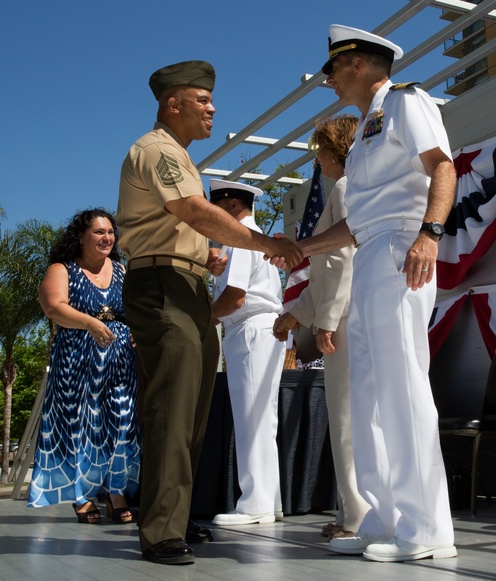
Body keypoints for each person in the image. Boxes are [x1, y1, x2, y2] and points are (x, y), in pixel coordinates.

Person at [116, 60, 302, 566]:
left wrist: (206, 254)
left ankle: (175, 516)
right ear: (172, 103)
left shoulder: (181, 157)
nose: (213, 109)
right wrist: (265, 242)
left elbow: (186, 225)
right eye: (202, 100)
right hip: (161, 285)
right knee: (171, 408)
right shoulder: (158, 149)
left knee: (193, 411)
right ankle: (159, 532)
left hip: (187, 283)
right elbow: (195, 212)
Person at [296, 25, 458, 562]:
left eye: (334, 69)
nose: (330, 80)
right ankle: (382, 518)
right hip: (370, 252)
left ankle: (425, 529)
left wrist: (429, 234)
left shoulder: (408, 102)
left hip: (401, 248)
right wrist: (303, 248)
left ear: (360, 64)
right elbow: (358, 221)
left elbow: (443, 167)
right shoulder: (365, 127)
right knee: (366, 395)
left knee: (402, 387)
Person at [272, 114, 369, 540]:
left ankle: (356, 518)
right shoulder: (348, 190)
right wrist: (297, 314)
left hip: (346, 322)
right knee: (351, 419)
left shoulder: (347, 189)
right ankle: (355, 511)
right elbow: (325, 272)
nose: (319, 160)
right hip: (345, 316)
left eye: (321, 151)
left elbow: (342, 259)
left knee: (348, 421)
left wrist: (325, 322)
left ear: (335, 151)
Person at [29, 208, 140, 525]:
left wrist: (136, 333)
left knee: (121, 424)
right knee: (81, 427)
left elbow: (136, 309)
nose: (107, 238)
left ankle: (115, 492)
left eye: (110, 232)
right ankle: (82, 495)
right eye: (98, 232)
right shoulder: (62, 269)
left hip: (120, 363)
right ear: (80, 236)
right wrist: (90, 323)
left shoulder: (121, 270)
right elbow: (54, 306)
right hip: (76, 362)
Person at [208, 179, 287, 527]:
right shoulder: (255, 238)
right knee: (262, 419)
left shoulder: (241, 239)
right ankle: (268, 500)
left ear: (229, 205)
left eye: (215, 208)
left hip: (250, 328)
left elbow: (235, 296)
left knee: (252, 418)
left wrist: (205, 316)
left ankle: (255, 503)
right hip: (261, 328)